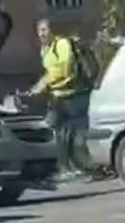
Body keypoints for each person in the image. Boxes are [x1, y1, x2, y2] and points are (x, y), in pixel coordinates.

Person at [26, 18, 96, 183]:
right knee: (56, 132)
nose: (41, 34)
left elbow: (64, 69)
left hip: (74, 96)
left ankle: (82, 169)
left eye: (44, 30)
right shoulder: (45, 49)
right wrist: (37, 87)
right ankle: (65, 168)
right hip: (59, 96)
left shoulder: (62, 44)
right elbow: (50, 71)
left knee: (71, 135)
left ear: (52, 30)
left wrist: (43, 84)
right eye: (39, 31)